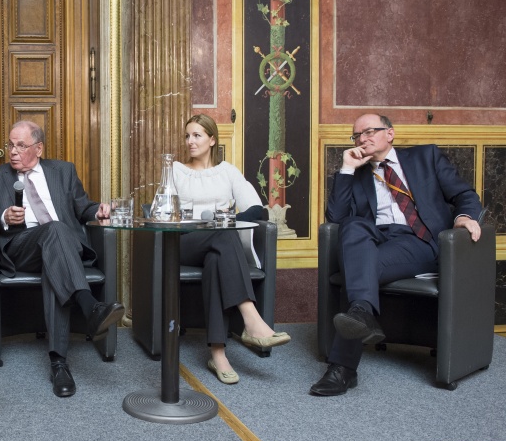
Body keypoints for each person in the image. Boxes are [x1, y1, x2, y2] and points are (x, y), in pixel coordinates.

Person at [310, 113, 483, 396]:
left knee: (358, 269)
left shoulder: (426, 157)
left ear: (389, 133)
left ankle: (341, 369)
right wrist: (347, 168)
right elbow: (337, 217)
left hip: (419, 240)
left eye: (369, 132)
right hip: (376, 239)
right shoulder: (356, 173)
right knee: (353, 226)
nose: (362, 139)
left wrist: (464, 217)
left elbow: (465, 195)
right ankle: (362, 314)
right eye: (356, 135)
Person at [0, 120, 125, 398]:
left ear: (38, 148)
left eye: (21, 145)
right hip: (21, 247)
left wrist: (98, 211)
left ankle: (59, 363)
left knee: (55, 249)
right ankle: (89, 307)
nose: (12, 151)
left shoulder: (63, 171)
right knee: (54, 230)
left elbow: (82, 207)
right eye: (10, 144)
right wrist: (2, 215)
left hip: (62, 248)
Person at [172, 114, 291, 384]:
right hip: (185, 242)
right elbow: (166, 211)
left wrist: (225, 220)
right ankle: (251, 318)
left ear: (212, 140)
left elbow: (256, 208)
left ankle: (218, 353)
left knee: (218, 254)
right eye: (188, 135)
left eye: (197, 135)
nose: (190, 141)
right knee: (223, 235)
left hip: (218, 244)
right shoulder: (177, 170)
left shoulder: (228, 171)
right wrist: (217, 223)